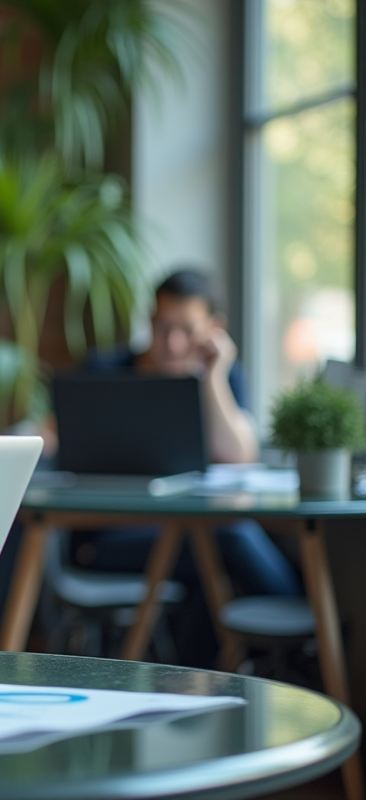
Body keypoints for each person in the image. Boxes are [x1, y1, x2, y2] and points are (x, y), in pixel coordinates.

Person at [69, 268, 301, 664]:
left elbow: (240, 454)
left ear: (214, 329)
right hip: (108, 541)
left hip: (189, 534)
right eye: (163, 328)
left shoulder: (221, 377)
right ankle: (306, 647)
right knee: (230, 536)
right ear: (149, 321)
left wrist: (213, 377)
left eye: (187, 330)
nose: (173, 344)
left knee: (215, 565)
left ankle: (211, 675)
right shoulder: (104, 374)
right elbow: (57, 436)